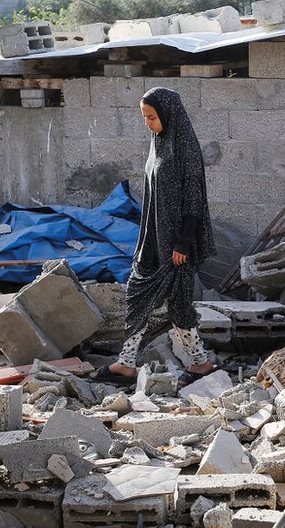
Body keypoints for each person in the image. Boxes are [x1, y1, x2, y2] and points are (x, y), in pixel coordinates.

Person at [91, 87, 217, 387]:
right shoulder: (158, 143)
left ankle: (201, 363)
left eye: (152, 117)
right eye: (144, 117)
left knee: (179, 305)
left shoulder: (184, 145)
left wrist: (184, 242)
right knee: (137, 293)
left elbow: (194, 196)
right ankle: (126, 363)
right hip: (153, 241)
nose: (147, 123)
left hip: (176, 244)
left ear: (168, 114)